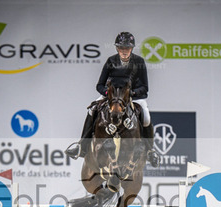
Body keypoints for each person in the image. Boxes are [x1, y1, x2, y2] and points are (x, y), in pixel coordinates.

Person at [65, 32, 160, 167]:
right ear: (117, 48)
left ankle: (150, 150)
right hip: (112, 96)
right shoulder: (111, 61)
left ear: (131, 48)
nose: (124, 51)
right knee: (92, 110)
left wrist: (132, 93)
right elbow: (99, 85)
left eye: (127, 48)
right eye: (121, 48)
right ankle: (81, 146)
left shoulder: (139, 62)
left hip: (132, 97)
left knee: (146, 117)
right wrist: (108, 93)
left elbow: (145, 87)